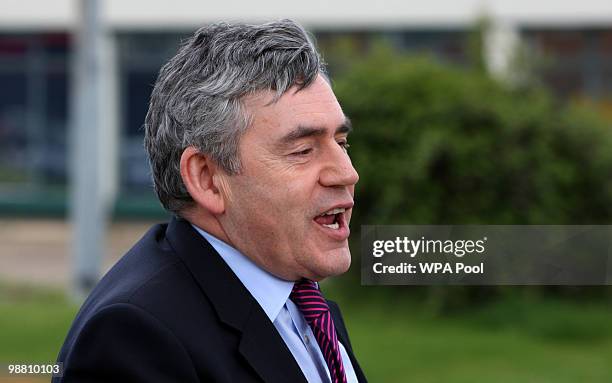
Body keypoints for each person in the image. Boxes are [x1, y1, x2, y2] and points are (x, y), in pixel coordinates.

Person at [55, 19, 366, 383]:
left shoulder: (303, 301)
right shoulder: (134, 337)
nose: (346, 173)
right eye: (302, 150)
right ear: (206, 179)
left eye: (341, 144)